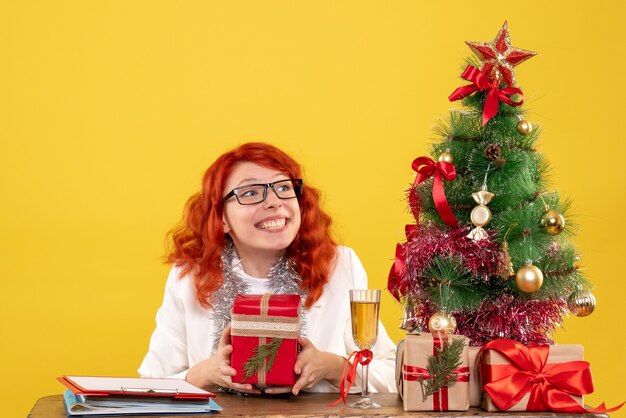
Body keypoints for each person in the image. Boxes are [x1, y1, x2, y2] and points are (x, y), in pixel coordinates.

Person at [138, 142, 396, 396]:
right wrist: (206, 374)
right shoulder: (190, 276)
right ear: (222, 218)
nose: (274, 202)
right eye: (250, 192)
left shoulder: (339, 267)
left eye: (284, 187)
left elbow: (393, 374)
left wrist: (335, 367)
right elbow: (151, 384)